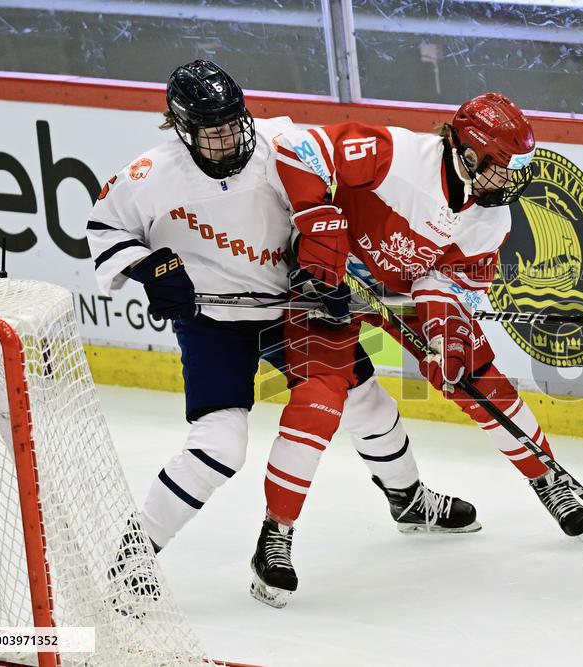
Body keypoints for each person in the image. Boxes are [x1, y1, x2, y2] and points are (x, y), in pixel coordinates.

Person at [86, 60, 478, 612]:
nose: (227, 137)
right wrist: (150, 269)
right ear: (181, 128)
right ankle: (134, 556)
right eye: (211, 129)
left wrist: (324, 267)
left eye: (232, 122)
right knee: (220, 444)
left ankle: (408, 499)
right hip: (213, 321)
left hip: (290, 304)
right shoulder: (150, 175)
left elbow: (323, 206)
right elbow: (104, 228)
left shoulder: (280, 143)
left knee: (364, 399)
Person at [254, 92, 583, 606]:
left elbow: (447, 280)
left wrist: (444, 332)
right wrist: (319, 225)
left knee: (477, 377)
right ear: (470, 152)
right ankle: (275, 537)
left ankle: (547, 478)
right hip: (326, 280)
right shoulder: (395, 156)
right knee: (322, 398)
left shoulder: (489, 218)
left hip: (400, 290)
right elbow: (295, 148)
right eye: (503, 168)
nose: (510, 181)